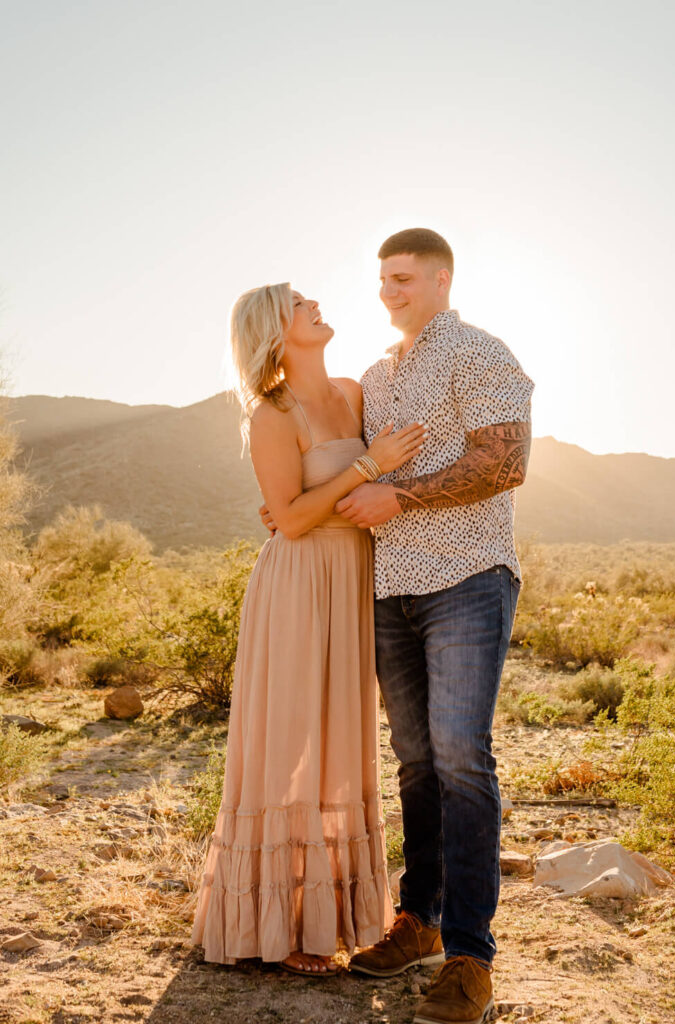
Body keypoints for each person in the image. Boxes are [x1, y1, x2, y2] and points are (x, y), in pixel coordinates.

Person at [191, 283, 427, 975]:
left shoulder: (355, 393)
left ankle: (336, 913)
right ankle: (282, 925)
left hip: (355, 583)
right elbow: (289, 519)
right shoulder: (273, 412)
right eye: (298, 303)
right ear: (274, 330)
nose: (315, 303)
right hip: (297, 586)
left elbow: (355, 490)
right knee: (292, 739)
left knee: (341, 742)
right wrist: (364, 467)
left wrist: (360, 481)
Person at [337, 228, 534, 1024]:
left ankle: (468, 958)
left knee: (459, 755)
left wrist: (402, 496)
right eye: (381, 278)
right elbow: (350, 468)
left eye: (404, 277)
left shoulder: (480, 351)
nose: (389, 290)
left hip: (467, 578)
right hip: (389, 587)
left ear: (442, 279)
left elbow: (506, 461)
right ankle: (416, 921)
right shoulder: (375, 375)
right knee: (414, 760)